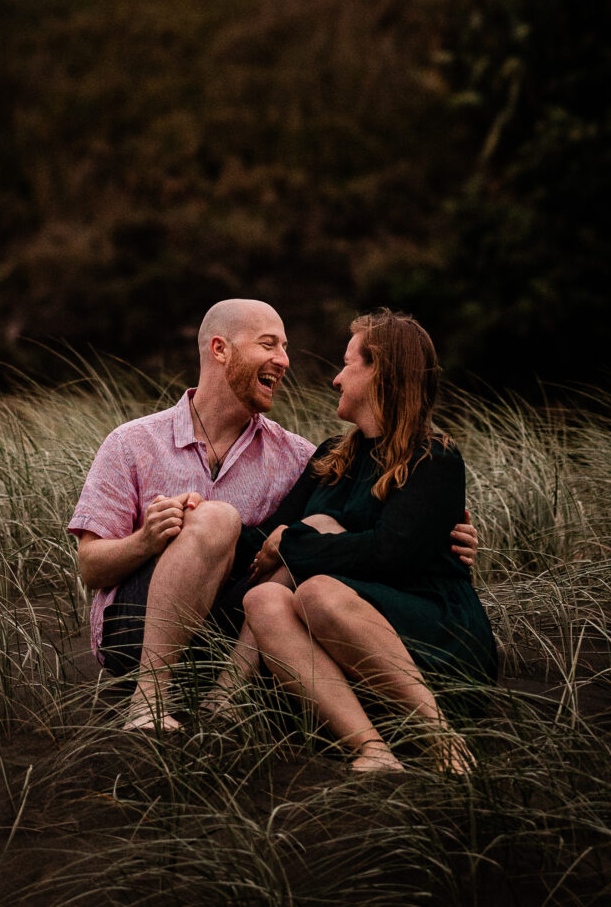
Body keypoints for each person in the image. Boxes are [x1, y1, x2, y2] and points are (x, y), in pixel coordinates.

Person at [69, 299, 479, 731]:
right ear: (220, 349)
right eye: (269, 345)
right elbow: (90, 567)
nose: (285, 361)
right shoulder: (131, 443)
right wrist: (154, 538)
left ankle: (228, 697)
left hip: (233, 634)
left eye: (285, 347)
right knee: (222, 520)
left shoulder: (302, 456)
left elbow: (344, 537)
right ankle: (149, 700)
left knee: (307, 530)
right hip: (140, 630)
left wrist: (441, 536)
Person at [209, 309, 497, 774]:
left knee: (318, 584)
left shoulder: (433, 458)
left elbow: (390, 556)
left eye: (347, 364)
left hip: (432, 631)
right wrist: (191, 524)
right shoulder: (330, 456)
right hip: (340, 630)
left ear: (379, 370)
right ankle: (373, 750)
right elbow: (264, 540)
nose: (336, 379)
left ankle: (441, 737)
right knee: (265, 599)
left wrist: (295, 543)